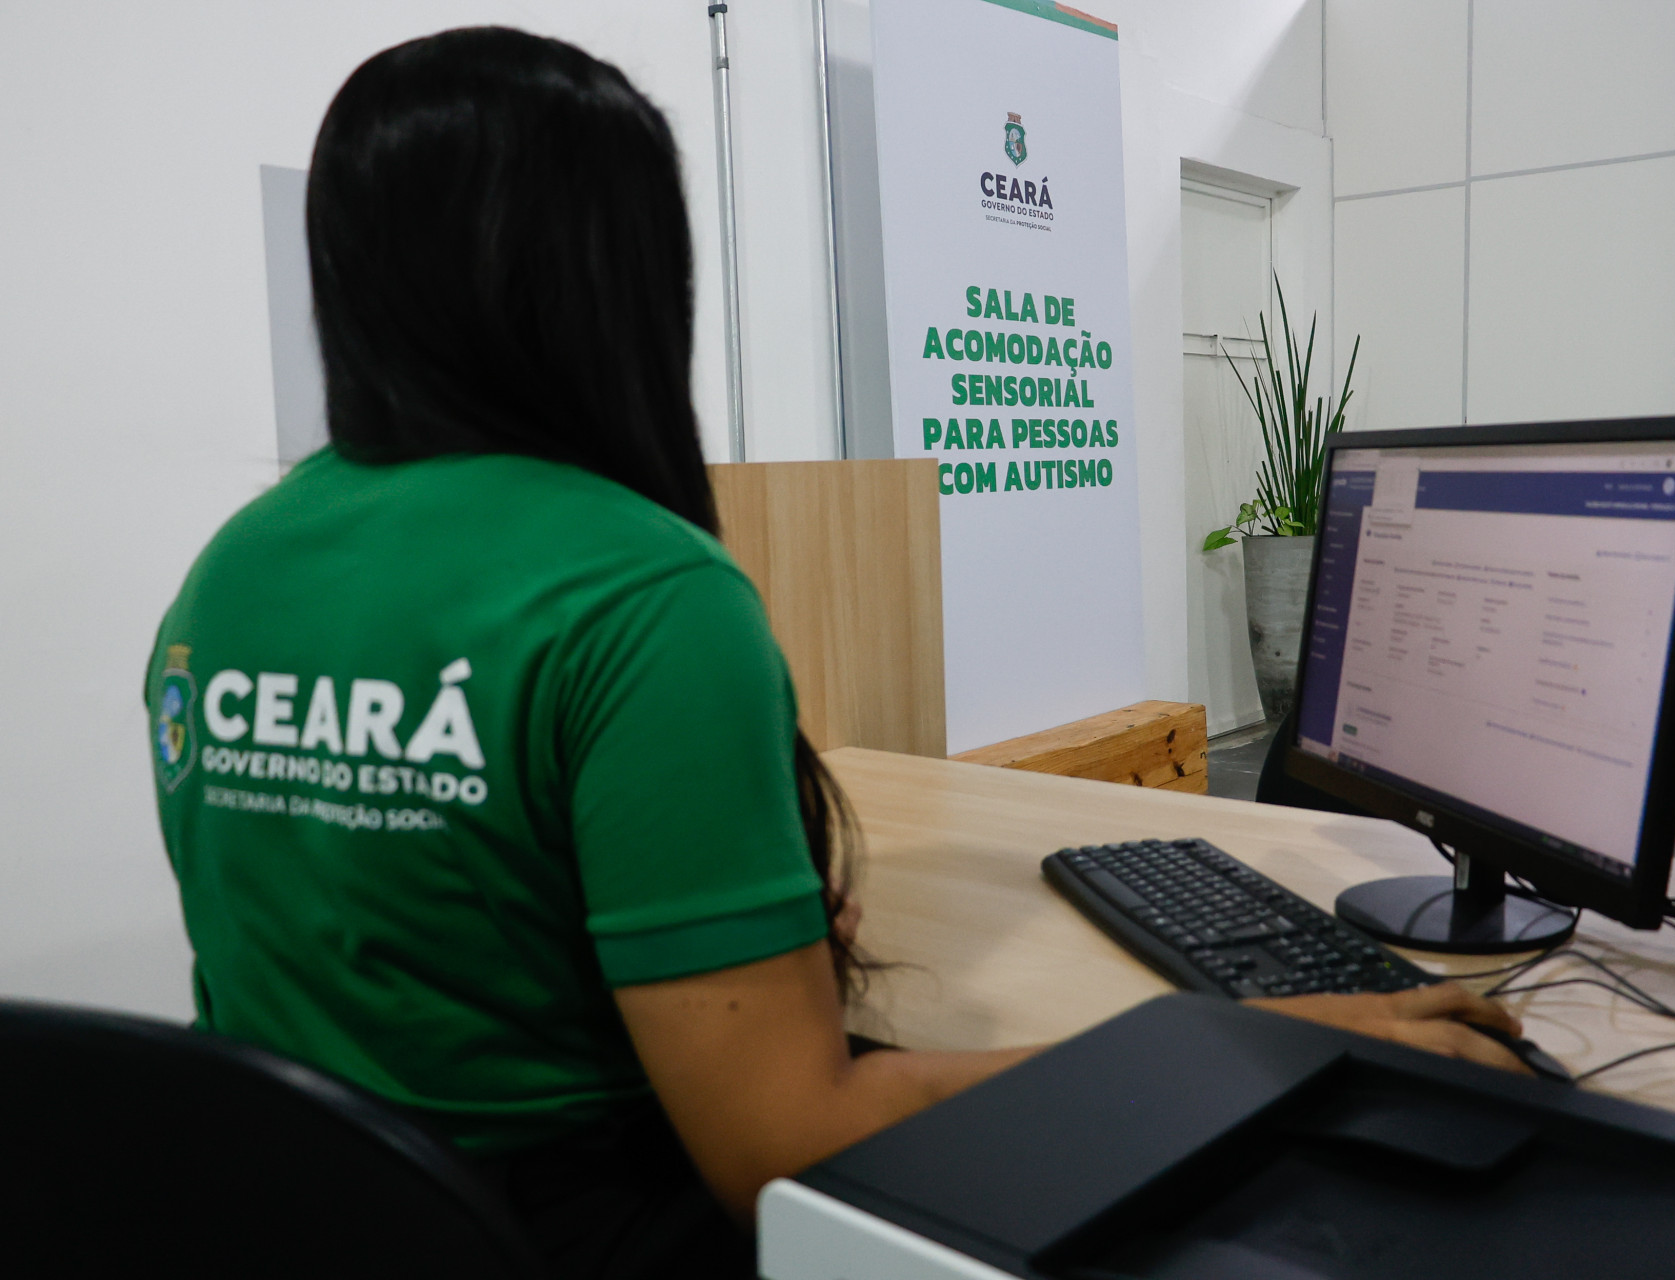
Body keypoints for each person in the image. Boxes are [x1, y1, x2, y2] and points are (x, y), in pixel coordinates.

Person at [143, 27, 1526, 1279]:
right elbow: (786, 1153)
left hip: (311, 1222)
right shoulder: (637, 594)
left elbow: (394, 944)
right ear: (620, 276)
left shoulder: (234, 566)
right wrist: (1253, 1045)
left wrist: (728, 937)